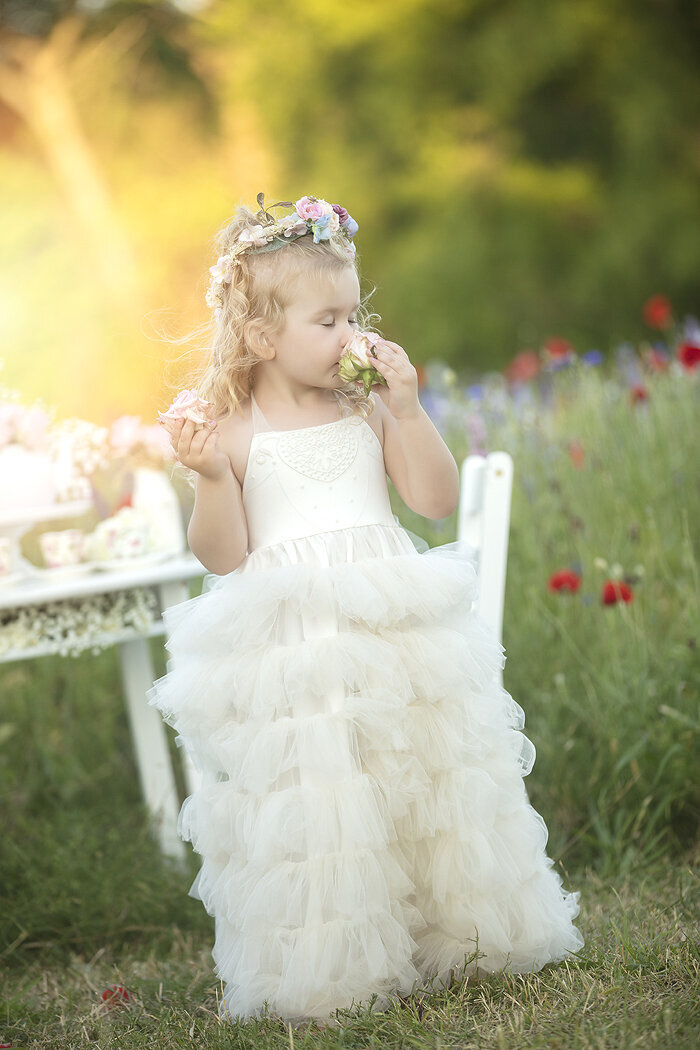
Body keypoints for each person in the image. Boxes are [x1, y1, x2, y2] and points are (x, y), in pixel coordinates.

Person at [150, 193, 583, 1030]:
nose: (351, 335)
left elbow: (433, 499)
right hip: (299, 645)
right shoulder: (236, 434)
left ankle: (460, 934)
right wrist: (207, 477)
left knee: (426, 778)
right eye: (327, 321)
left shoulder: (366, 408)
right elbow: (224, 556)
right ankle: (336, 962)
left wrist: (409, 408)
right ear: (260, 336)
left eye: (355, 314)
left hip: (389, 629)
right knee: (326, 796)